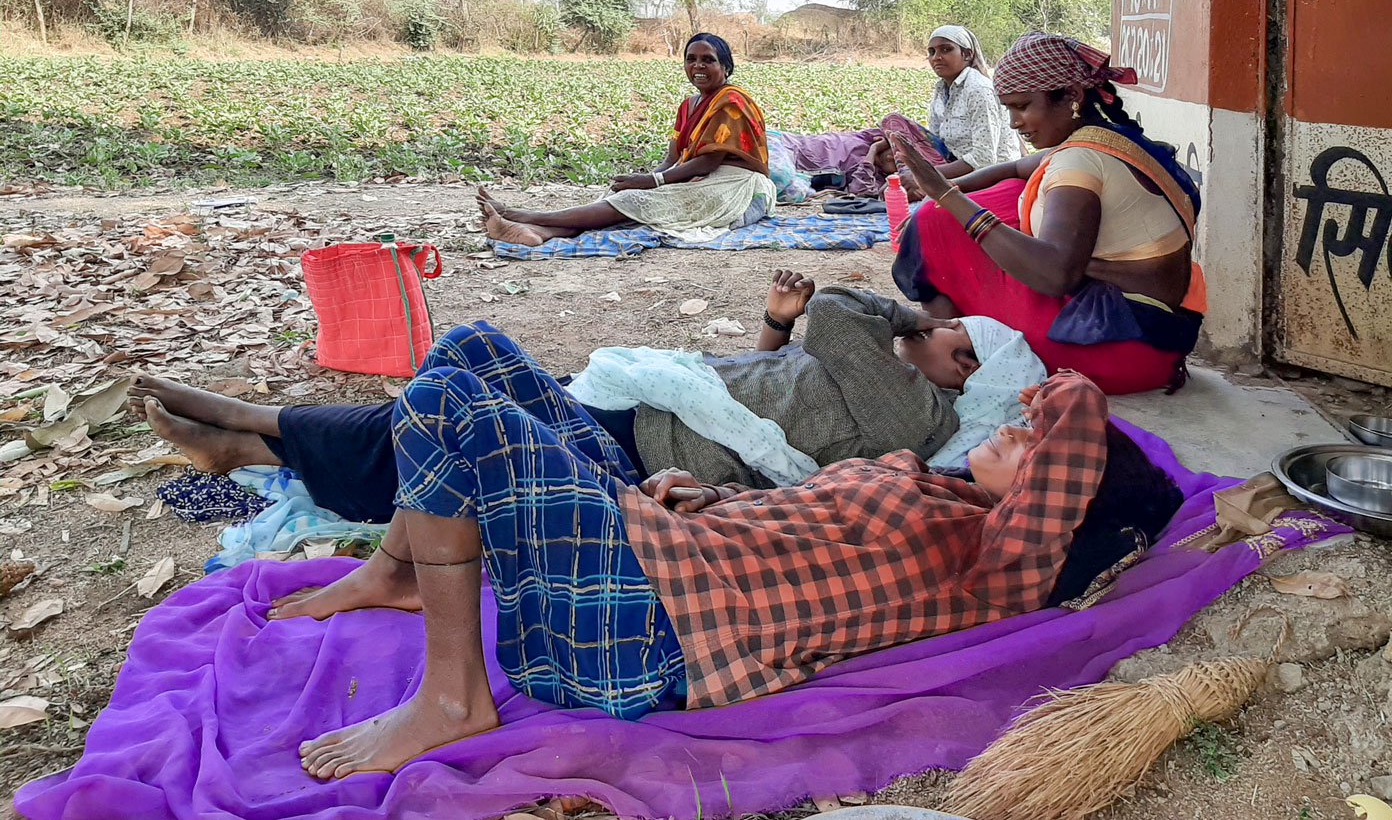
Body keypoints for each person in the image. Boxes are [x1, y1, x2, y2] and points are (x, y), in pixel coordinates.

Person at [268, 361, 1180, 779]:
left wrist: (1062, 396)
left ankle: (451, 692)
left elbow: (1076, 409)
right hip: (655, 554)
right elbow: (804, 527)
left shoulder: (1000, 567)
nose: (1018, 429)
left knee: (441, 404)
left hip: (647, 633)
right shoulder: (938, 494)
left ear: (1062, 505)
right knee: (474, 351)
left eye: (1041, 444)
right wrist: (705, 495)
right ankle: (396, 570)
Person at [129, 273, 992, 523]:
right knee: (462, 376)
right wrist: (773, 327)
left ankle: (250, 429)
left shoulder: (923, 412)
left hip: (646, 453)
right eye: (963, 347)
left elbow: (842, 311)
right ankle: (250, 436)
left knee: (458, 415)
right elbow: (761, 385)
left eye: (972, 357)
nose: (965, 365)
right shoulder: (883, 376)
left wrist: (912, 321)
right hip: (657, 406)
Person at [889, 31, 1208, 396]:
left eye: (1022, 106)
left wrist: (945, 195)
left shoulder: (1079, 161)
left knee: (938, 224)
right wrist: (948, 185)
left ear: (1071, 96)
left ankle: (954, 340)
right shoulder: (1104, 138)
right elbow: (1014, 168)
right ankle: (955, 336)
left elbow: (1055, 276)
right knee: (984, 201)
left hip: (1120, 347)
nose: (1014, 122)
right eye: (1009, 108)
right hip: (1156, 335)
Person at [479, 33, 775, 246]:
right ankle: (542, 232)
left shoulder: (732, 100)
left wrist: (653, 183)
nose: (698, 66)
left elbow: (709, 160)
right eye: (691, 59)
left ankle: (524, 214)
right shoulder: (688, 106)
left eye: (708, 60)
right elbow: (673, 158)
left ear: (725, 66)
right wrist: (650, 176)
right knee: (624, 197)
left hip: (736, 185)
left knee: (638, 200)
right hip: (700, 176)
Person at [776, 25, 1018, 202]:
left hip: (986, 171)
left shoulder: (979, 90)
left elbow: (985, 158)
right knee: (894, 122)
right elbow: (936, 140)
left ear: (967, 55)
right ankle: (912, 179)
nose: (937, 57)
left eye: (946, 50)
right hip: (952, 159)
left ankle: (916, 181)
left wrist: (925, 176)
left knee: (909, 188)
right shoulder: (941, 89)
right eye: (932, 52)